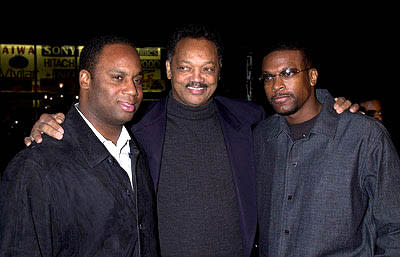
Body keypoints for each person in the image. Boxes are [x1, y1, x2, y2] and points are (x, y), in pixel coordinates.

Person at [24, 25, 355, 257]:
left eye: (207, 68)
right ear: (168, 69)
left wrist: (334, 105)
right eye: (185, 67)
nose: (197, 78)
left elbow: (301, 112)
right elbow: (94, 126)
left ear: (219, 71)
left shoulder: (250, 120)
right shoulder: (137, 127)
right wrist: (55, 122)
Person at [0, 36, 160, 256]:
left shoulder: (138, 150)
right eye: (117, 77)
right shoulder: (35, 167)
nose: (132, 90)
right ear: (85, 79)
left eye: (137, 80)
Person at [254, 41, 400, 256]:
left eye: (288, 73)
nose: (277, 85)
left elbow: (394, 226)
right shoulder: (262, 136)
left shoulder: (364, 136)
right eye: (268, 77)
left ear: (312, 77)